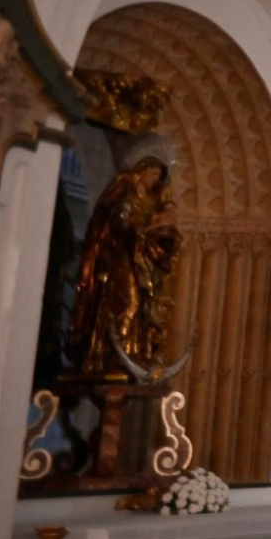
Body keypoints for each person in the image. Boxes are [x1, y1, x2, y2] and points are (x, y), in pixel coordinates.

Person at [66, 155, 182, 378]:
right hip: (124, 258)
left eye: (158, 176)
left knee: (142, 308)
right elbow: (117, 224)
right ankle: (113, 357)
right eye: (152, 173)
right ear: (141, 171)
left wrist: (162, 230)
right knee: (127, 304)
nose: (154, 179)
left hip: (144, 260)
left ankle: (134, 354)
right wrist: (145, 227)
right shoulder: (125, 194)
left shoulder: (153, 200)